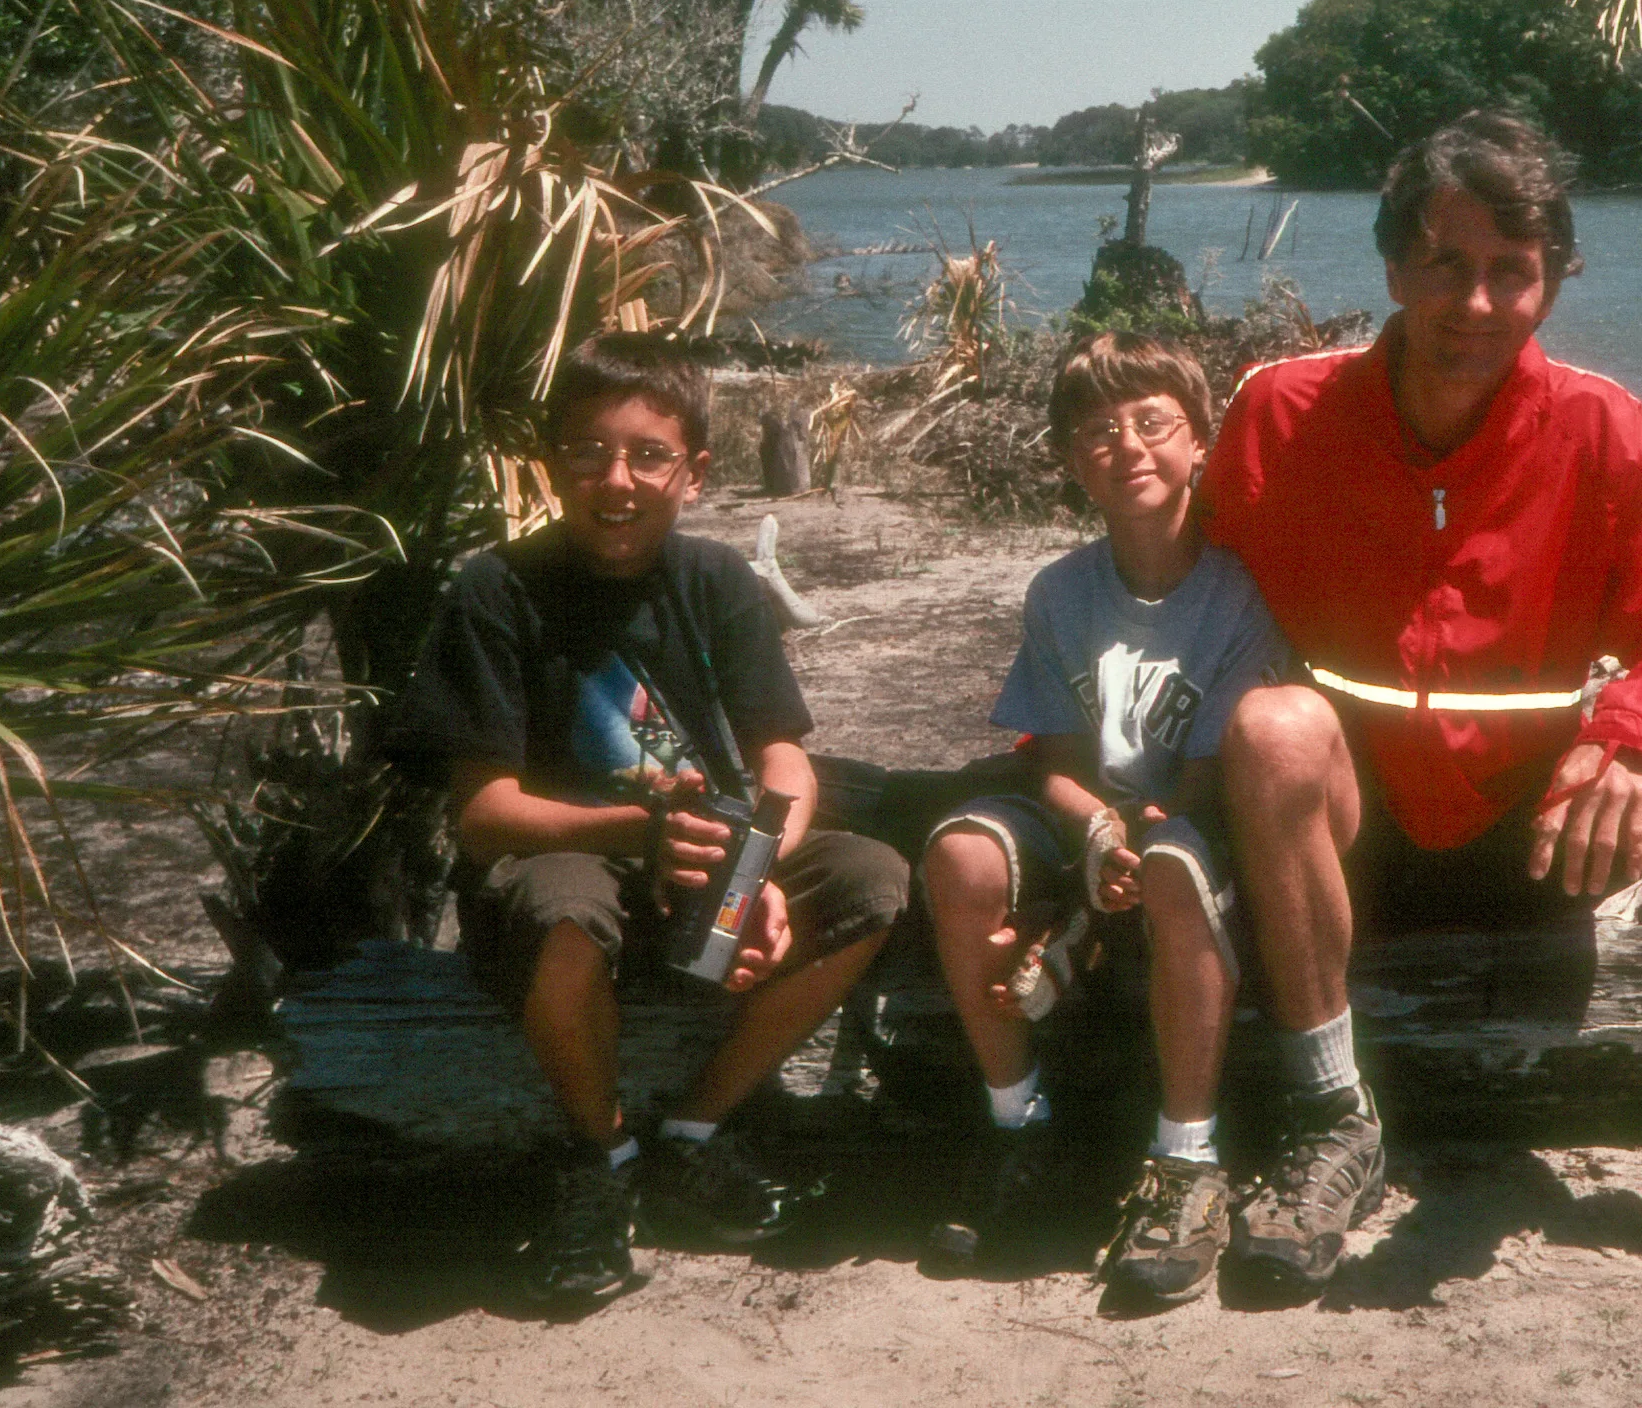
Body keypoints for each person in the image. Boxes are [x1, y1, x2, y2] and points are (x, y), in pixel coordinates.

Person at [1202, 111, 1642, 1335]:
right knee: (1278, 725)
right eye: (1446, 262)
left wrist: (1632, 728)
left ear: (1553, 279)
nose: (1479, 300)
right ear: (1395, 268)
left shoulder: (1602, 427)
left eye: (1515, 269)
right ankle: (1329, 1117)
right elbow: (1176, 601)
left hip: (1545, 837)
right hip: (1353, 845)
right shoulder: (1280, 416)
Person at [394, 332, 911, 1311]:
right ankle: (606, 1157)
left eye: (649, 454)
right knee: (562, 909)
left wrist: (756, 869)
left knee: (874, 878)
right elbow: (483, 812)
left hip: (705, 860)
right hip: (568, 855)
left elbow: (783, 759)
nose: (616, 479)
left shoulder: (716, 582)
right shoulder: (495, 591)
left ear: (696, 471)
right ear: (551, 463)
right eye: (588, 452)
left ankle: (694, 1133)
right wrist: (635, 830)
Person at [919, 333, 1293, 1307]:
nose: (1127, 445)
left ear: (1201, 441)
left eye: (1153, 422)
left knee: (1171, 863)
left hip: (1186, 818)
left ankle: (1186, 1155)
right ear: (1071, 458)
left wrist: (1132, 843)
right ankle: (1017, 1119)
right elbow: (1054, 761)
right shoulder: (1062, 591)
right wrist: (1093, 833)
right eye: (1097, 431)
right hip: (1088, 812)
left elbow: (1216, 771)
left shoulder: (1241, 589)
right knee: (960, 857)